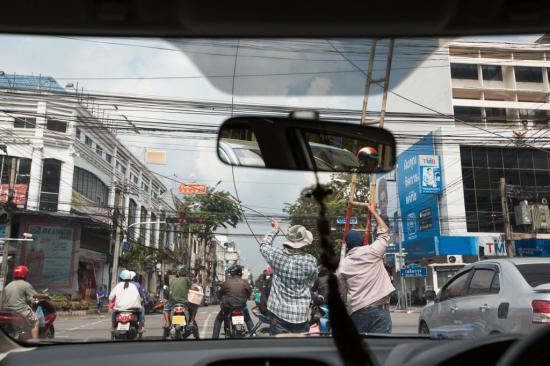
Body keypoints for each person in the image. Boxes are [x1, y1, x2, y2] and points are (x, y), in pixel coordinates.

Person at [336, 202, 395, 334]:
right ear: (363, 241)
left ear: (348, 246)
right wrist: (372, 211)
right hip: (379, 309)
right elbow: (385, 231)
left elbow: (343, 292)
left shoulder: (342, 265)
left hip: (357, 311)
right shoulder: (373, 251)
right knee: (382, 349)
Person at [259, 219, 317, 335]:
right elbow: (311, 283)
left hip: (279, 314)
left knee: (279, 351)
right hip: (301, 316)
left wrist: (274, 230)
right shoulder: (310, 260)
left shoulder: (276, 255)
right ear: (304, 242)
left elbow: (264, 245)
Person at [1, 265, 48, 339]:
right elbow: (35, 295)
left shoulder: (8, 285)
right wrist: (45, 296)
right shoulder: (25, 284)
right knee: (35, 322)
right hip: (21, 311)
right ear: (25, 274)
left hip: (8, 311)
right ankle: (35, 341)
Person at [211, 264, 254, 338]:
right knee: (248, 320)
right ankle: (254, 335)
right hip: (242, 306)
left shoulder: (227, 283)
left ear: (232, 273)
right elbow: (249, 293)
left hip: (228, 307)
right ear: (240, 273)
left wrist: (220, 298)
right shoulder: (245, 283)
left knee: (218, 320)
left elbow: (220, 293)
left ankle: (214, 338)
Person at [163, 265, 198, 338]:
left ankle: (167, 322)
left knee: (165, 309)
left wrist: (166, 298)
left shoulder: (174, 280)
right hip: (184, 302)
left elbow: (169, 291)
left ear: (178, 273)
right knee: (194, 307)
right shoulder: (186, 279)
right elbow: (192, 288)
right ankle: (191, 322)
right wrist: (195, 289)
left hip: (173, 302)